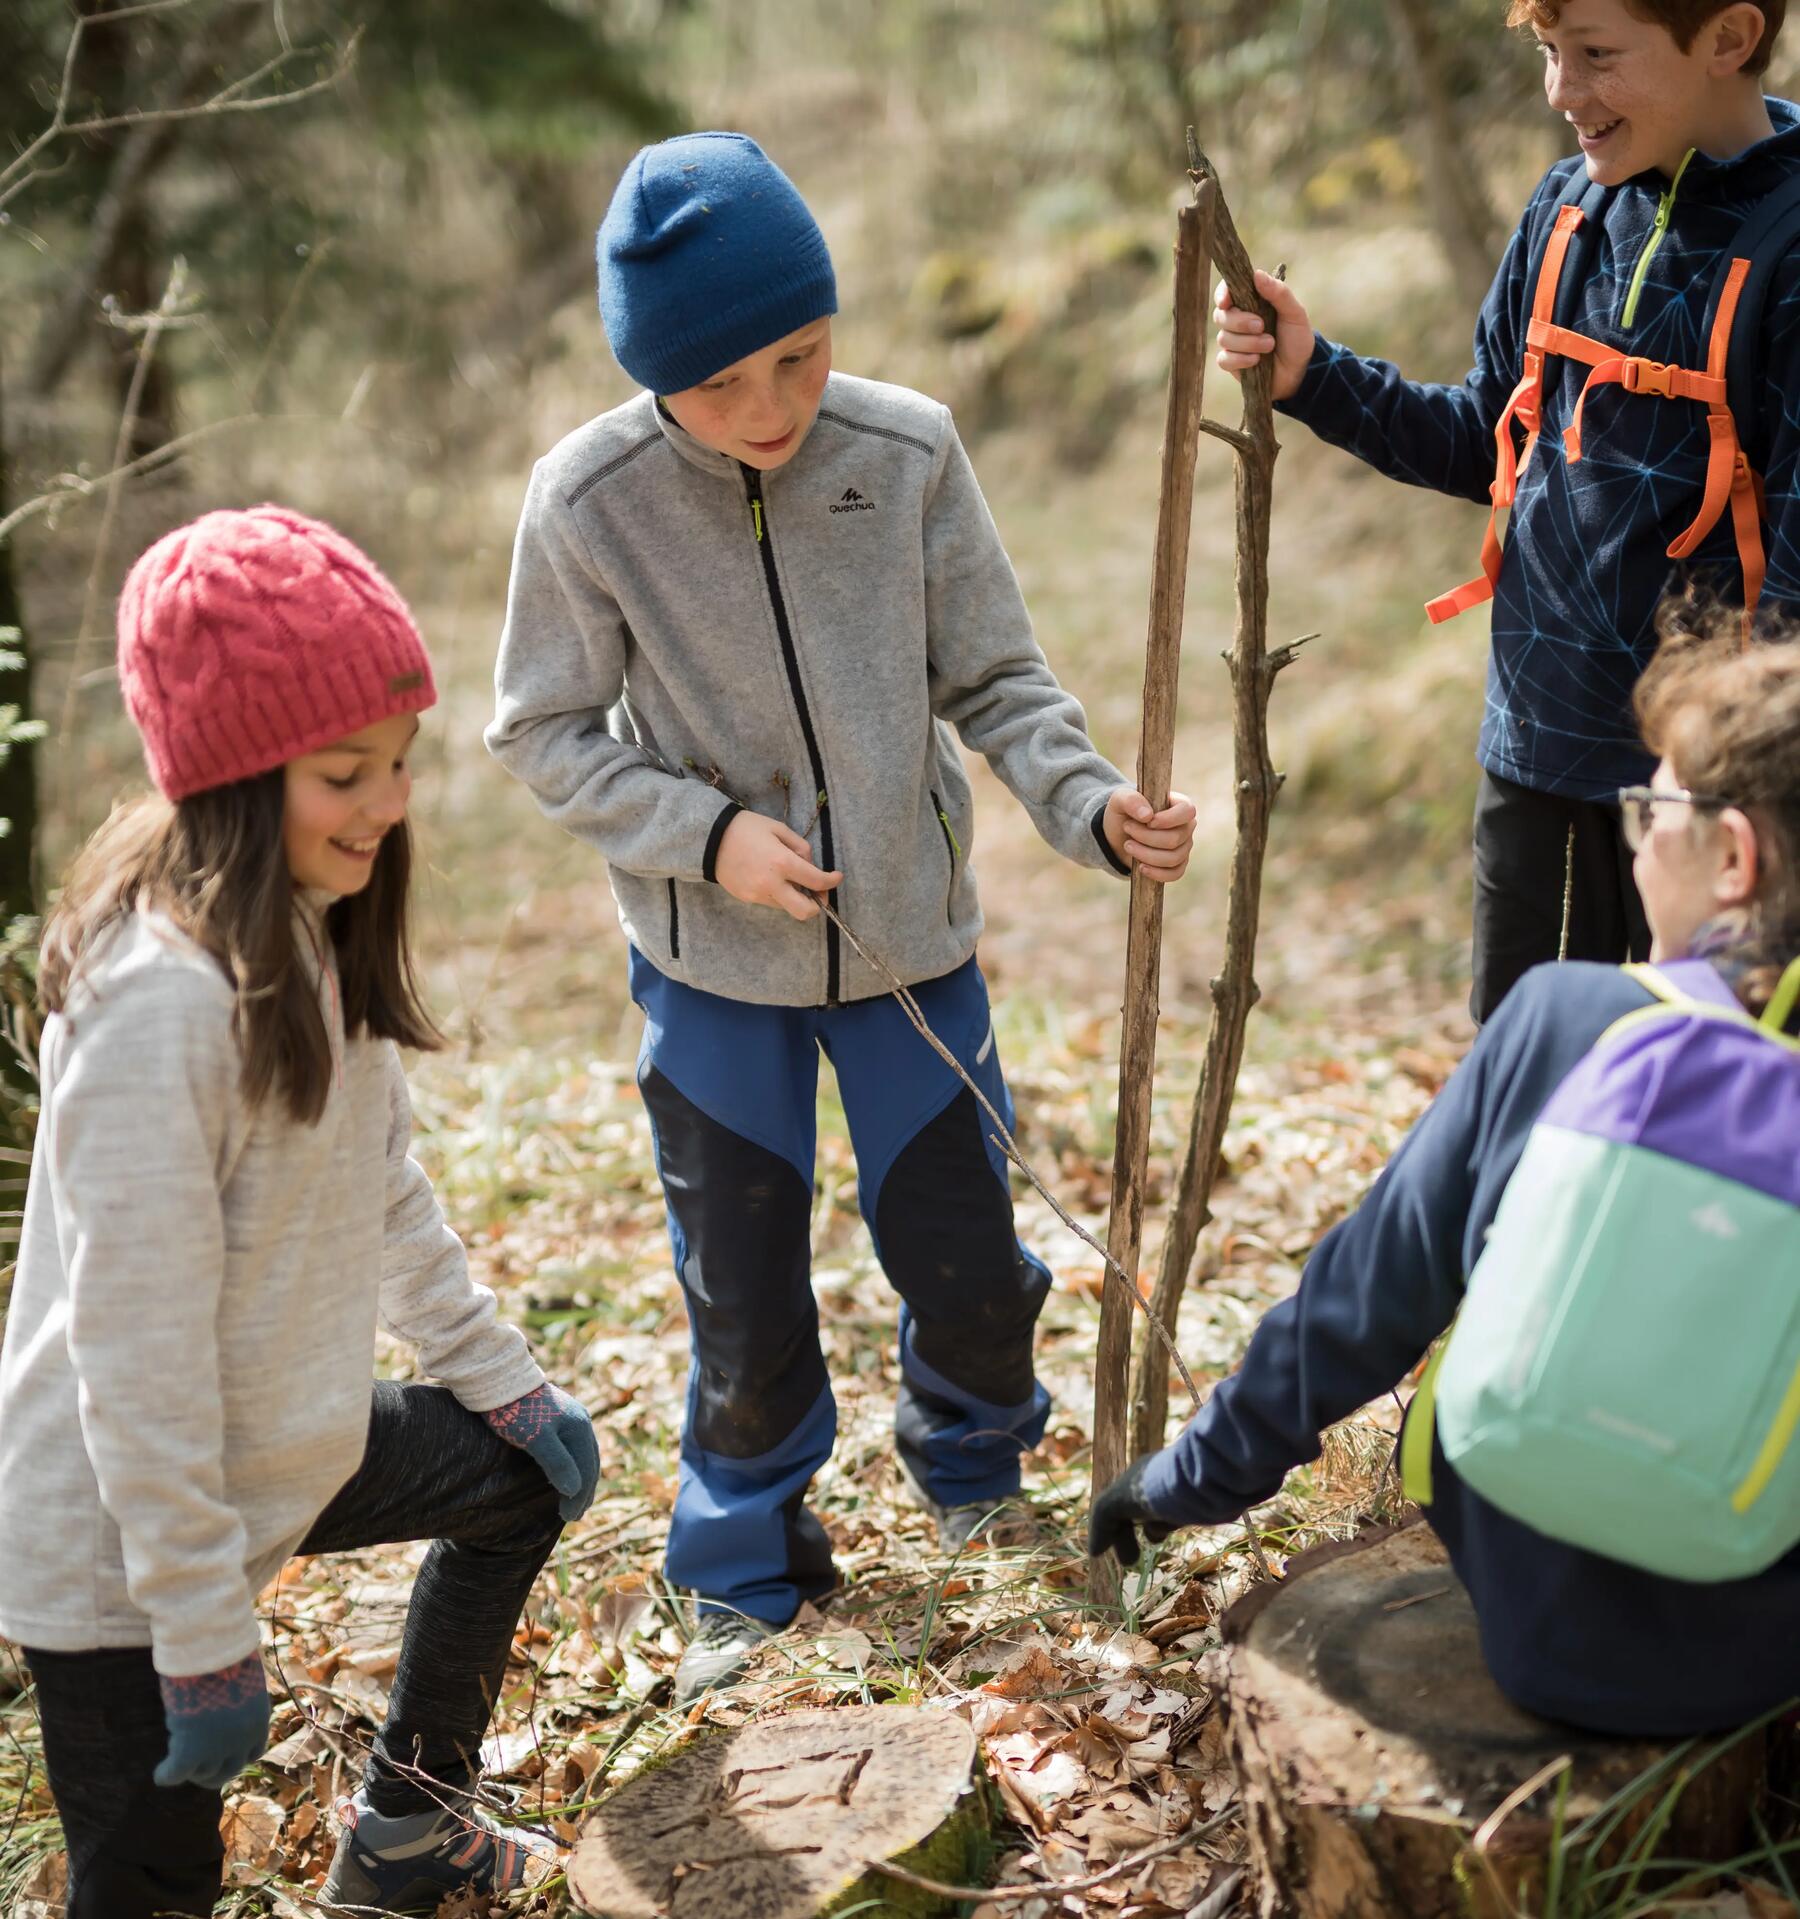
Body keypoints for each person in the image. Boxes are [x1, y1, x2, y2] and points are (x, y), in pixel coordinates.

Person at [488, 131, 1197, 1704]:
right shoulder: (589, 502)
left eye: (800, 358)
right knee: (738, 1272)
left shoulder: (913, 451)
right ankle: (741, 1550)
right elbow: (541, 729)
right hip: (711, 964)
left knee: (959, 1240)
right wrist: (708, 835)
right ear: (651, 374)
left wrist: (1086, 805)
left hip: (910, 954)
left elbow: (1000, 678)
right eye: (724, 384)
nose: (773, 411)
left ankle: (973, 1478)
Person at [0, 507, 601, 1918]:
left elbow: (378, 1182)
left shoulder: (317, 926)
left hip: (286, 1446)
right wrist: (205, 1638)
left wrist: (503, 1386)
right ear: (227, 777)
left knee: (515, 1484)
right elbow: (130, 1359)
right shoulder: (157, 1006)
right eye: (345, 772)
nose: (387, 801)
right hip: (124, 1548)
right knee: (153, 1884)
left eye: (399, 761)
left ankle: (407, 1824)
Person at [1090, 612, 1800, 1735]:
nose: (1635, 838)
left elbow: (1364, 1297)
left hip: (1544, 1625)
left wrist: (1182, 1479)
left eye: (1653, 807)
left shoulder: (1573, 1021)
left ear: (1733, 856)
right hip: (1769, 1655)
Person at [1217, 0, 1797, 1022]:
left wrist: (1731, 781)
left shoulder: (1790, 250)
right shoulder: (1568, 210)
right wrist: (1316, 377)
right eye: (1547, 54)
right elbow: (1489, 436)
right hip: (1529, 757)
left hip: (1710, 801)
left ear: (1728, 37)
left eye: (1597, 56)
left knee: (1688, 1093)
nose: (1561, 92)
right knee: (1521, 1065)